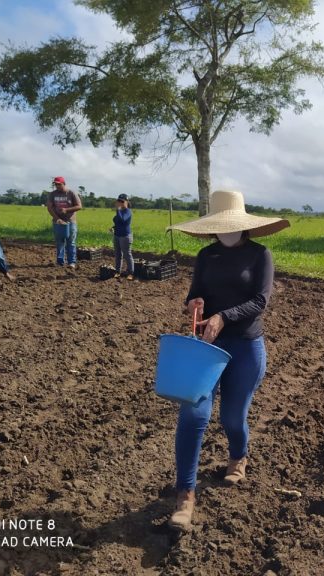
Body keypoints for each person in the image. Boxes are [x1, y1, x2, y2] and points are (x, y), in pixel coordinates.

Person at [164, 189, 290, 531]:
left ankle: (238, 456)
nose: (224, 230)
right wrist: (195, 304)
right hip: (206, 348)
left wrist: (222, 317)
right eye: (218, 226)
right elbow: (195, 292)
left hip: (246, 347)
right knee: (193, 415)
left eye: (229, 225)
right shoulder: (207, 256)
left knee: (233, 418)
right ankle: (185, 496)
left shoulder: (260, 255)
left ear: (242, 224)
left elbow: (260, 301)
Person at [46, 176, 82, 269]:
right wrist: (57, 218)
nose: (57, 186)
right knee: (59, 242)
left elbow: (79, 206)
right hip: (58, 222)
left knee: (71, 242)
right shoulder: (53, 194)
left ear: (64, 183)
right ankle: (60, 262)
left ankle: (71, 262)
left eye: (59, 184)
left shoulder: (71, 193)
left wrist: (67, 210)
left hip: (70, 222)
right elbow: (49, 207)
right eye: (56, 184)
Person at [111, 193, 134, 280]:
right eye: (119, 201)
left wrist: (118, 210)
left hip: (125, 236)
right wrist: (113, 227)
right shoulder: (120, 211)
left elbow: (123, 220)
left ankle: (131, 272)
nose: (120, 202)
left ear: (127, 202)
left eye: (122, 201)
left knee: (127, 254)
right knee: (117, 254)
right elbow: (118, 222)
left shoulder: (128, 211)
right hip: (117, 235)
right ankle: (117, 271)